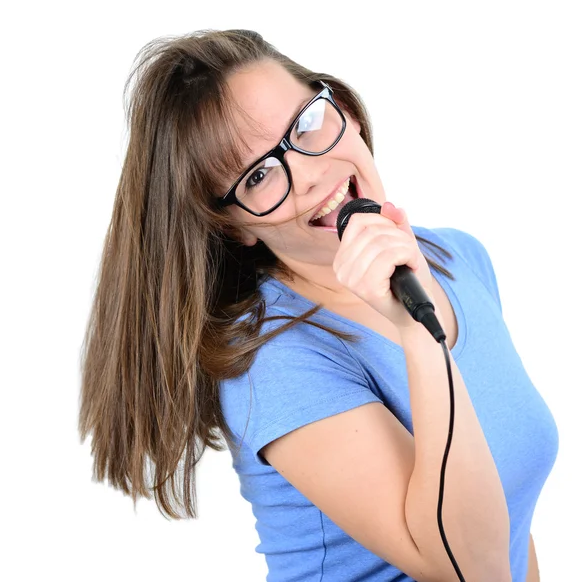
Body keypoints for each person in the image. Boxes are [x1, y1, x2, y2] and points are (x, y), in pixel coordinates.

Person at [78, 29, 559, 581]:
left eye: (306, 124)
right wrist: (415, 329)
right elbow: (468, 568)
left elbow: (513, 530)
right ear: (235, 228)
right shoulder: (272, 360)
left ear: (345, 110)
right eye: (258, 176)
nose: (308, 174)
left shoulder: (457, 258)